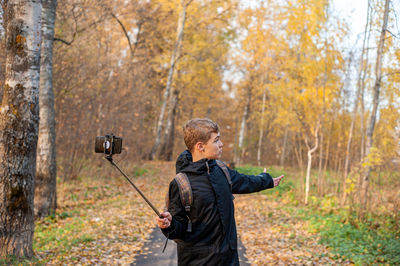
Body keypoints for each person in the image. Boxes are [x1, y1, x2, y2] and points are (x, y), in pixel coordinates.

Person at [156, 118, 284, 265]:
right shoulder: (181, 184)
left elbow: (244, 182)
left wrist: (266, 180)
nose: (221, 144)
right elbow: (179, 230)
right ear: (200, 146)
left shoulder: (221, 170)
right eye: (216, 140)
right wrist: (169, 224)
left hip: (228, 259)